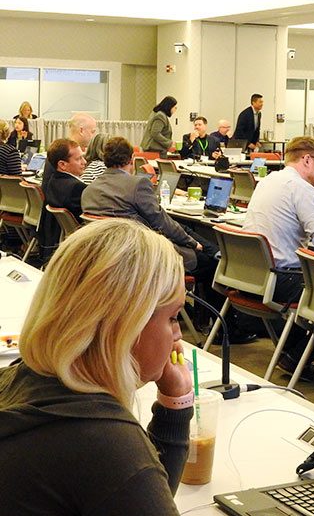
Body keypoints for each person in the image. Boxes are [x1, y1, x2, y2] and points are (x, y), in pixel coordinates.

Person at [0, 218, 193, 513]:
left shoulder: (18, 380)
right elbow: (133, 484)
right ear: (125, 325)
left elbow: (136, 497)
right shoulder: (104, 443)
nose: (178, 335)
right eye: (173, 317)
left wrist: (174, 403)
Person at [81, 137, 220, 307]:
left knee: (188, 234)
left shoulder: (89, 190)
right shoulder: (138, 184)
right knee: (211, 264)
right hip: (143, 255)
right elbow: (161, 222)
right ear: (132, 159)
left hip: (109, 257)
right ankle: (213, 321)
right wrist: (192, 243)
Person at [243, 136, 314, 380]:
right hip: (281, 279)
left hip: (252, 275)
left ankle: (293, 355)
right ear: (307, 160)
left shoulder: (268, 180)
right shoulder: (301, 188)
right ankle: (296, 358)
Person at [41, 112, 97, 195]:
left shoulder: (59, 149)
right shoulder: (63, 152)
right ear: (81, 131)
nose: (94, 136)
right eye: (92, 132)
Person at [45, 139, 87, 221]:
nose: (84, 162)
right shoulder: (77, 187)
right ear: (62, 165)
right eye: (78, 159)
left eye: (83, 157)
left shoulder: (52, 180)